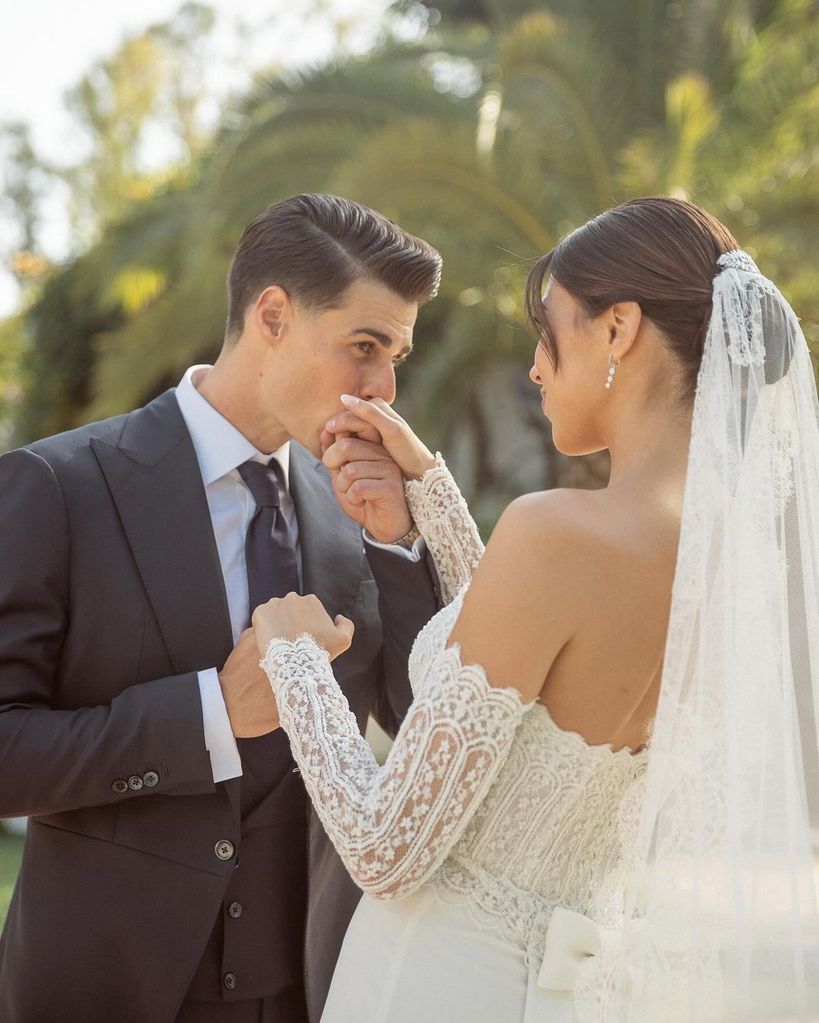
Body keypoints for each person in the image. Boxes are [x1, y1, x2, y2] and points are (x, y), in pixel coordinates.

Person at [249, 197, 819, 1022]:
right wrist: (433, 500)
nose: (535, 368)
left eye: (549, 330)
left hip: (426, 977)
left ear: (617, 329)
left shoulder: (556, 532)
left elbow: (385, 849)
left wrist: (295, 661)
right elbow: (533, 673)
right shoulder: (729, 563)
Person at [0, 194, 443, 1023]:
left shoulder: (358, 503)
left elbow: (427, 724)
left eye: (395, 357)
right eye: (364, 346)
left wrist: (398, 545)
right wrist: (213, 711)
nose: (382, 387)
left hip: (308, 989)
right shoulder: (60, 485)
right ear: (272, 314)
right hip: (102, 989)